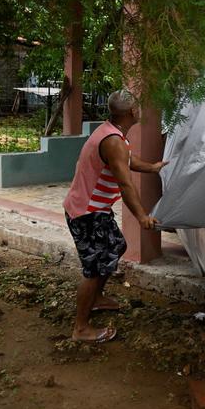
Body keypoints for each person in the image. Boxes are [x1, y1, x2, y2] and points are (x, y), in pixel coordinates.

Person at [62, 90, 165, 343]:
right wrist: (142, 217)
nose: (140, 110)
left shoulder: (113, 132)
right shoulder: (113, 140)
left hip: (96, 209)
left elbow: (127, 160)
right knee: (94, 268)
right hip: (86, 213)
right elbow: (125, 184)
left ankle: (96, 299)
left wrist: (152, 167)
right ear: (132, 112)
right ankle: (81, 328)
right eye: (138, 107)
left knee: (116, 247)